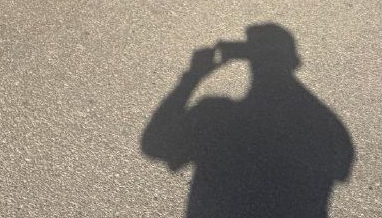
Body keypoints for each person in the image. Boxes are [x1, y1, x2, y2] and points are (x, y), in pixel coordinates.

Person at [142, 23, 353, 218]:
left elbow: (156, 143)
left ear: (247, 59)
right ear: (294, 62)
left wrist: (192, 78)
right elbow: (339, 168)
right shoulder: (326, 126)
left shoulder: (216, 117)